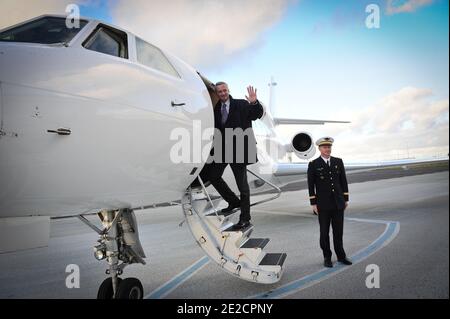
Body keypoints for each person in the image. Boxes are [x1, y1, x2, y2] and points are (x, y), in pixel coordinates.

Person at [204, 82, 264, 230]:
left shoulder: (241, 104)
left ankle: (245, 218)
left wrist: (254, 102)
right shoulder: (215, 109)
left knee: (242, 186)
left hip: (239, 150)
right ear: (217, 93)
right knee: (213, 175)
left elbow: (256, 114)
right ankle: (233, 201)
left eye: (224, 90)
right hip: (223, 150)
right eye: (219, 91)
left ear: (228, 90)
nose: (222, 93)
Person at [307, 137, 353, 268]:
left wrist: (345, 199)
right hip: (323, 205)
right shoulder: (313, 164)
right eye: (324, 147)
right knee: (324, 233)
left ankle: (341, 256)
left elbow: (343, 181)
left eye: (329, 147)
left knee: (338, 232)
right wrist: (313, 203)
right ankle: (327, 257)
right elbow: (311, 185)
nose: (327, 149)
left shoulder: (338, 162)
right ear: (319, 149)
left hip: (338, 203)